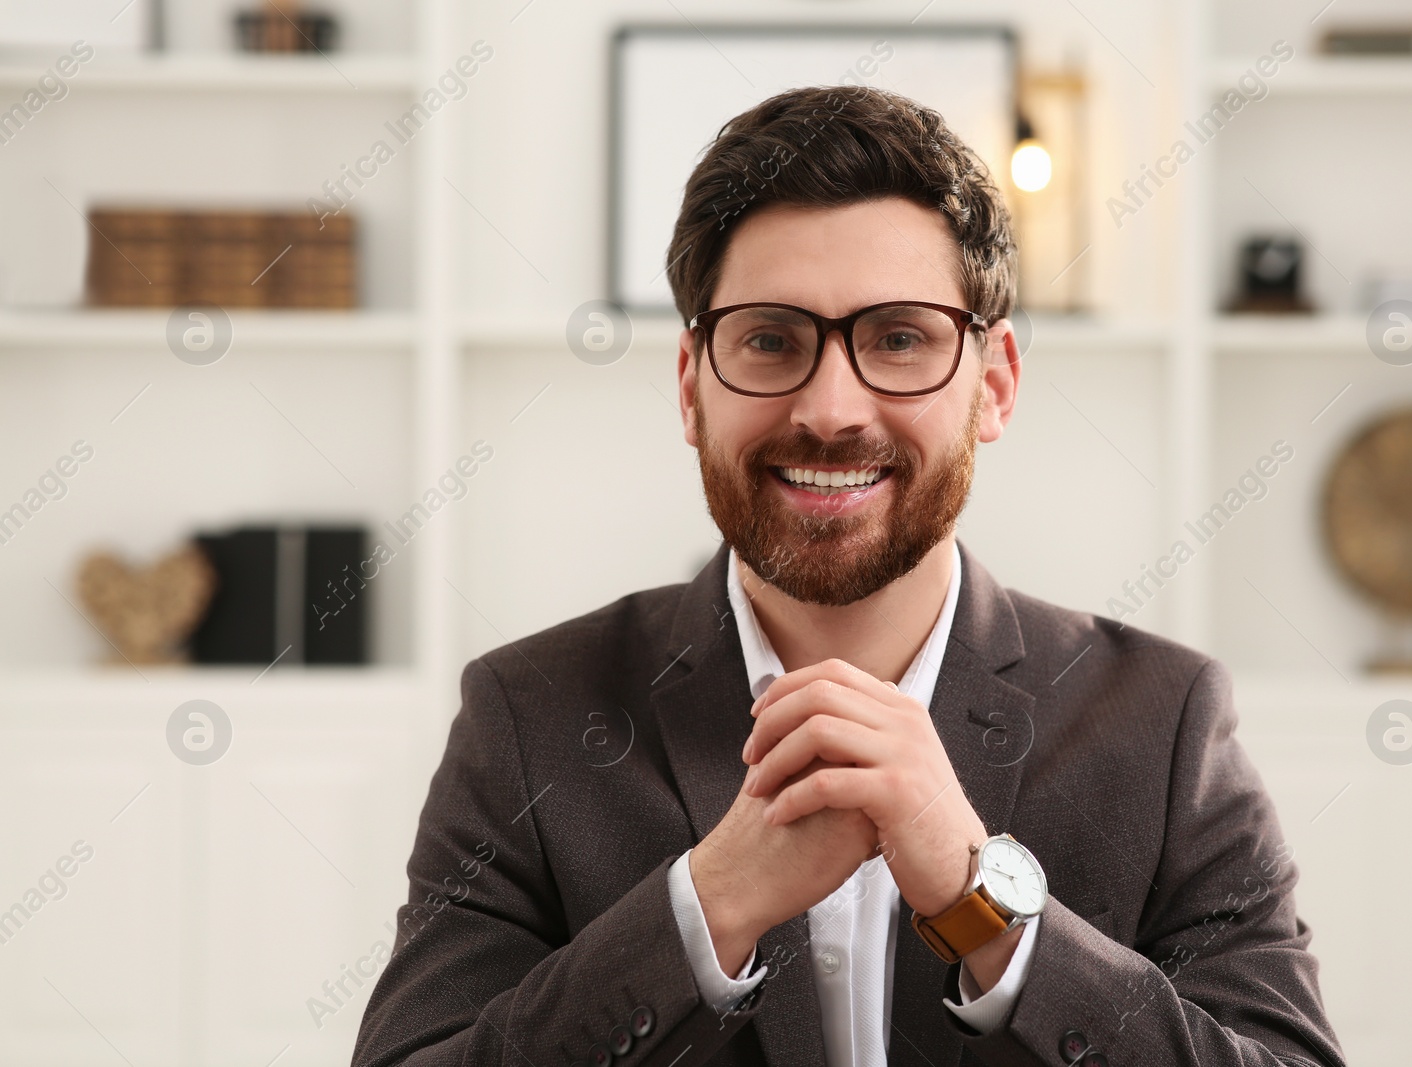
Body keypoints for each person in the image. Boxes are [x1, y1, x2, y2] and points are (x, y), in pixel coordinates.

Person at [352, 85, 1344, 1067]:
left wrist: (984, 904)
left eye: (899, 338)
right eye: (772, 340)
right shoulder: (526, 714)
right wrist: (705, 908)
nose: (831, 407)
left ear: (992, 384)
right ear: (692, 386)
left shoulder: (1162, 721)